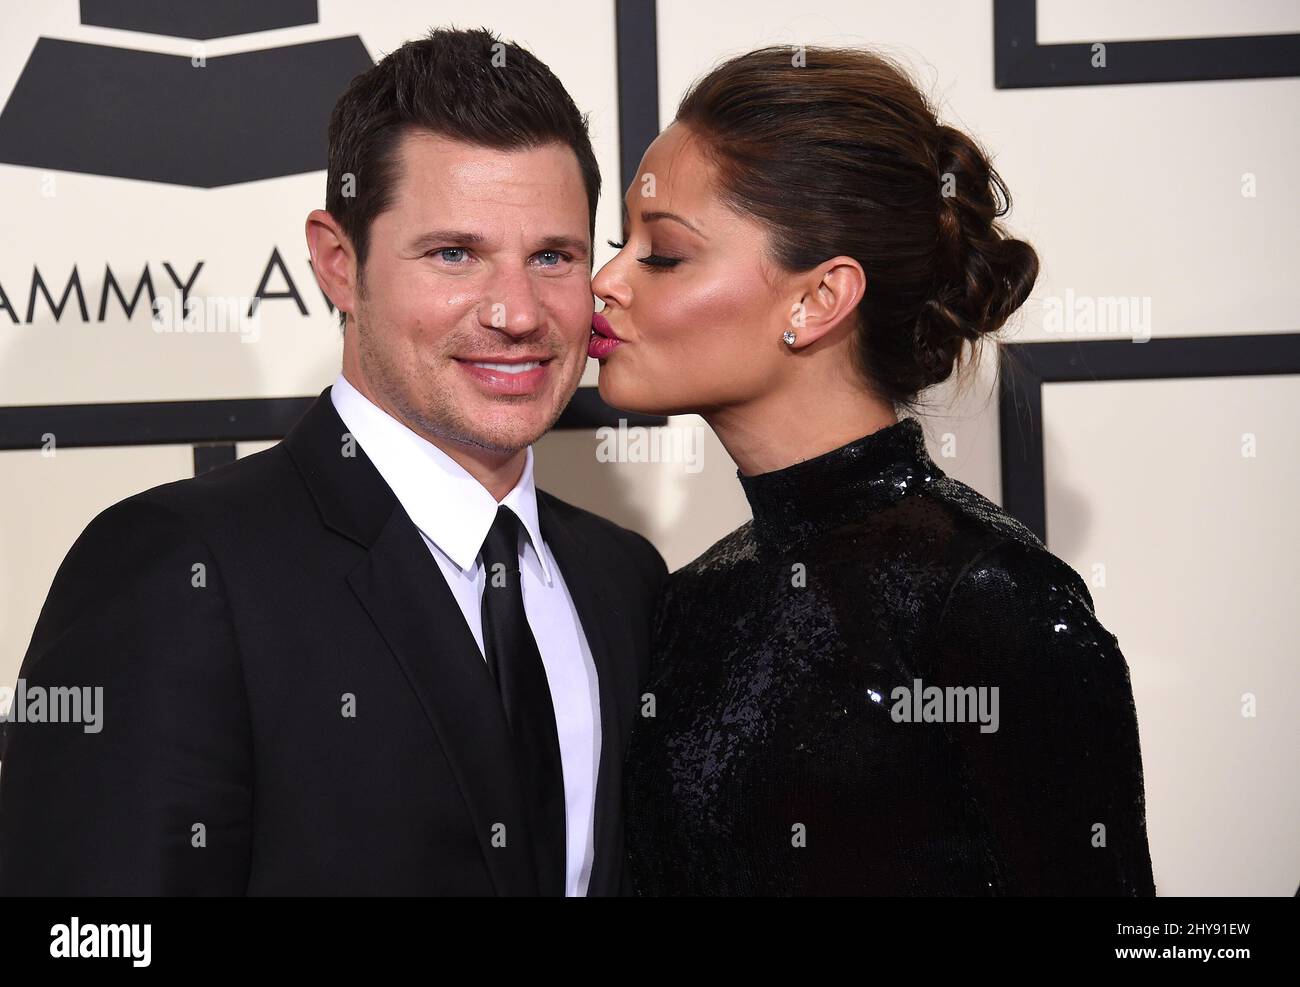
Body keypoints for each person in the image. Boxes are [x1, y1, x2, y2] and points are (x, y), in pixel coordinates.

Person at [0, 27, 666, 896]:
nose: (516, 312)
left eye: (553, 257)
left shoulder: (625, 582)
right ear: (338, 264)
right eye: (454, 254)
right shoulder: (181, 572)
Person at [591, 45, 1156, 895]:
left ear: (819, 299)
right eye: (617, 245)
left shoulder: (986, 600)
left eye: (662, 255)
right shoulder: (690, 601)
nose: (604, 282)